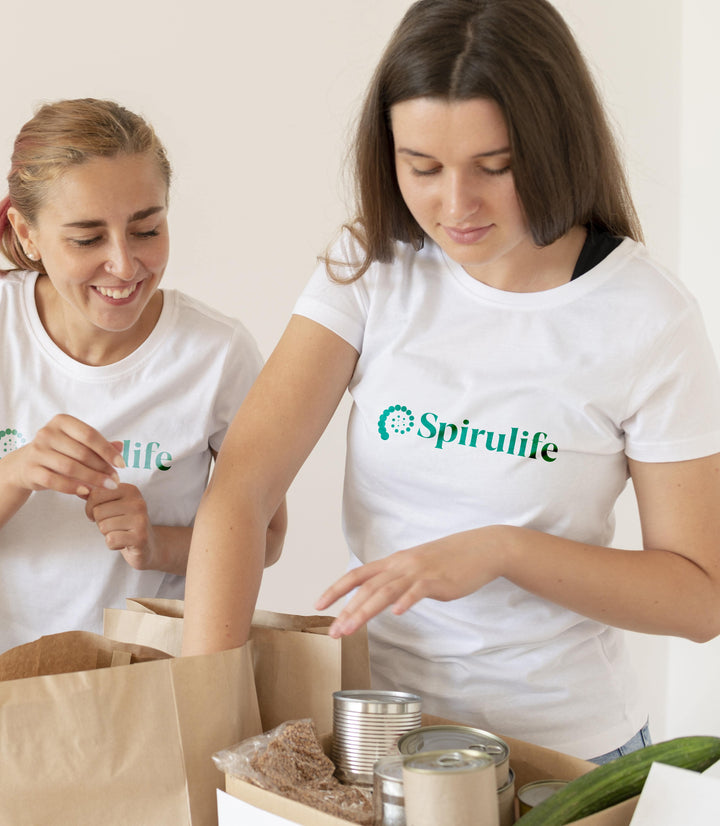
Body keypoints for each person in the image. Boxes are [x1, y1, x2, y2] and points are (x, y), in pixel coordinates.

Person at [181, 0, 720, 762]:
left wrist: (503, 551)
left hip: (566, 762)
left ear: (555, 145)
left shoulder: (646, 316)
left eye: (495, 167)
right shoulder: (372, 266)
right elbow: (241, 490)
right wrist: (207, 735)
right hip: (379, 746)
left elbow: (700, 597)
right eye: (423, 167)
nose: (456, 205)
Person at [0, 98, 286, 662]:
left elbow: (268, 538)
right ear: (27, 233)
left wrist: (156, 545)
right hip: (5, 687)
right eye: (88, 239)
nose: (124, 264)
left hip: (156, 685)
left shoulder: (218, 352)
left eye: (147, 229)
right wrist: (19, 470)